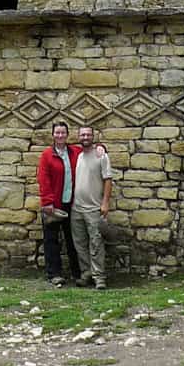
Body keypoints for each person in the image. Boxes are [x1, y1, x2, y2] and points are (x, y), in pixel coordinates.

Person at [36, 121, 81, 286]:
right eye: (57, 133)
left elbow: (93, 148)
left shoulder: (75, 152)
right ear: (53, 135)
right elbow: (43, 179)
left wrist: (101, 148)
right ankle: (54, 273)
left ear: (67, 135)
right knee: (52, 240)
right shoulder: (47, 155)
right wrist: (47, 202)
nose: (60, 135)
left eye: (63, 132)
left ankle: (78, 273)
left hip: (71, 203)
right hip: (53, 204)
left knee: (74, 240)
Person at [71, 124, 113, 290]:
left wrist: (105, 202)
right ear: (78, 137)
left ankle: (99, 277)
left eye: (88, 135)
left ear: (93, 136)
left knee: (96, 243)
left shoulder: (101, 155)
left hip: (94, 208)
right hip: (77, 208)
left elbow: (108, 179)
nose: (85, 137)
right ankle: (86, 273)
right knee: (80, 244)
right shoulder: (77, 155)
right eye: (83, 135)